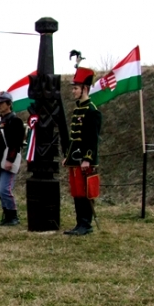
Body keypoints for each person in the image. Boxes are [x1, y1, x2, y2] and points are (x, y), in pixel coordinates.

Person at [62, 67, 102, 235]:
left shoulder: (92, 111)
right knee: (77, 191)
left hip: (85, 159)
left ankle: (86, 224)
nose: (73, 91)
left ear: (85, 89)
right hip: (75, 158)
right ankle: (79, 223)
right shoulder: (78, 109)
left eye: (76, 88)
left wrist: (87, 158)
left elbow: (92, 139)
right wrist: (68, 156)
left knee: (84, 191)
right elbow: (75, 138)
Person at [0, 91, 25, 226]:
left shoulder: (15, 121)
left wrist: (10, 160)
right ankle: (6, 215)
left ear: (9, 104)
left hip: (7, 160)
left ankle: (13, 216)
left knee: (4, 189)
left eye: (2, 103)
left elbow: (15, 143)